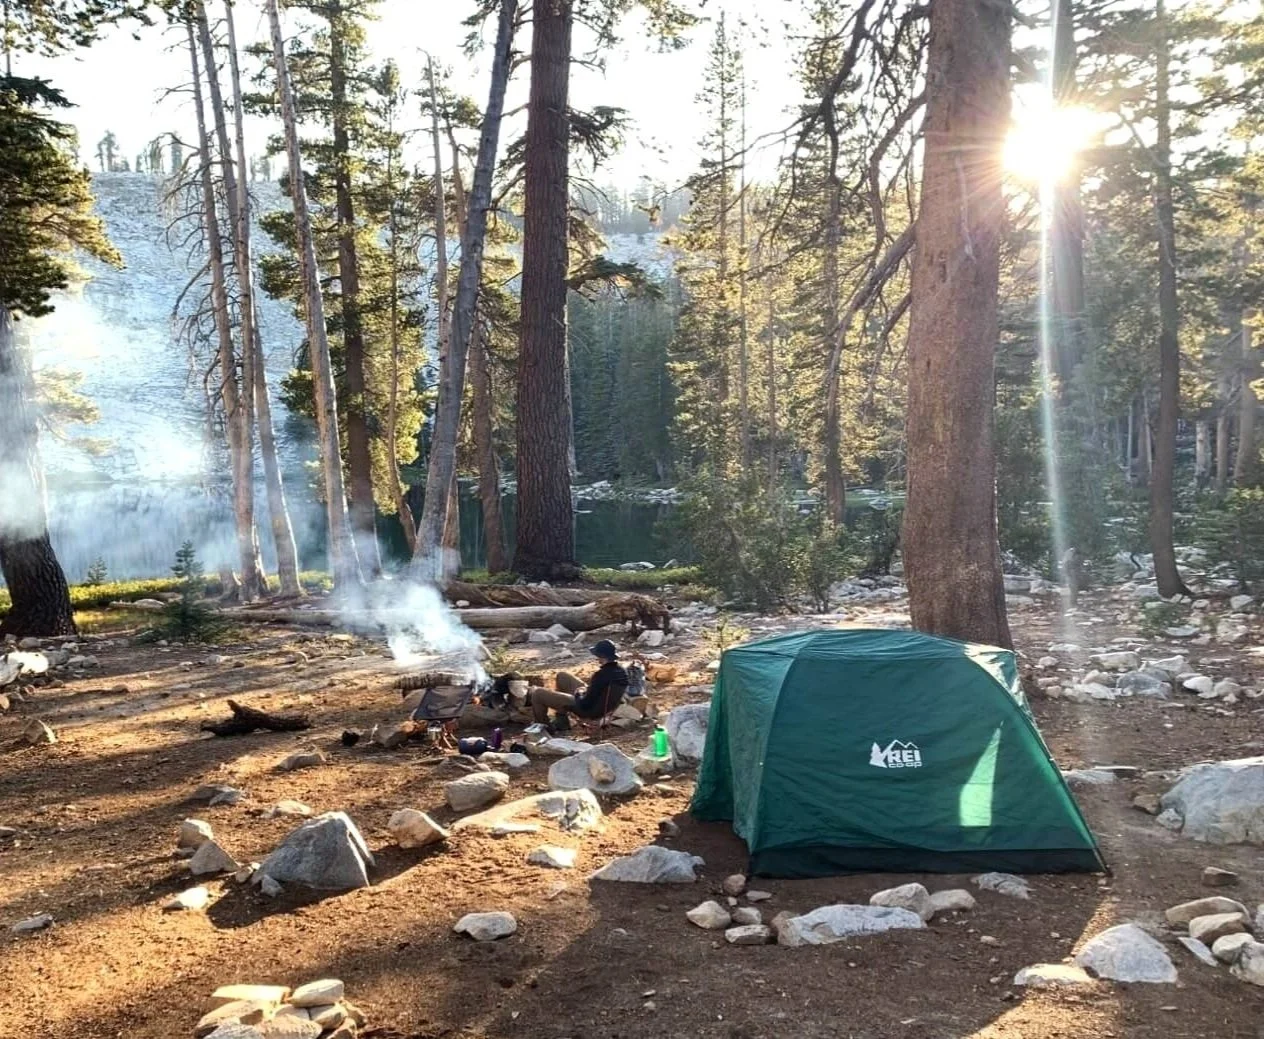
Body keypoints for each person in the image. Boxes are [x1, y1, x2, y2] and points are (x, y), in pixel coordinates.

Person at [530, 639, 628, 730]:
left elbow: (585, 704)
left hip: (589, 710)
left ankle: (545, 728)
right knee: (562, 676)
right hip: (600, 703)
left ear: (601, 656)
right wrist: (585, 691)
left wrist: (578, 694)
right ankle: (562, 720)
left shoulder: (601, 675)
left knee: (537, 694)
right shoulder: (620, 671)